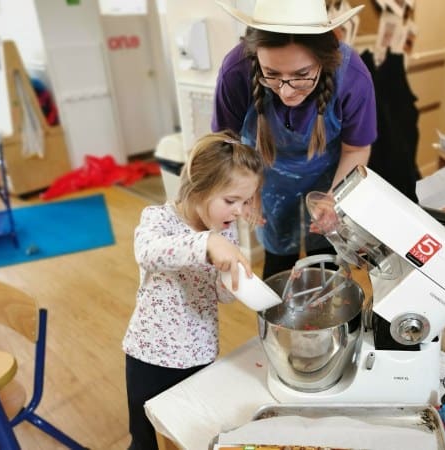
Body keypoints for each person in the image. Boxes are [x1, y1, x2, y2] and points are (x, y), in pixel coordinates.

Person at [213, 0, 377, 280]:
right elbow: (227, 144)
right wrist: (243, 191)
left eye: (301, 75)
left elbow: (356, 148)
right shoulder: (236, 70)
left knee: (323, 268)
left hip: (329, 178)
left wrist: (334, 199)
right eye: (272, 75)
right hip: (267, 182)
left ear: (324, 61)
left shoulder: (352, 75)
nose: (286, 93)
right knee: (278, 265)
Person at [122, 131, 264, 450]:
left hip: (200, 353)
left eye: (245, 202)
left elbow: (222, 294)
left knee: (187, 434)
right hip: (151, 355)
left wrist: (234, 279)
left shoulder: (224, 234)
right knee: (146, 441)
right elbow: (148, 252)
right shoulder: (157, 219)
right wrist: (206, 243)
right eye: (231, 201)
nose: (240, 211)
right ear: (198, 189)